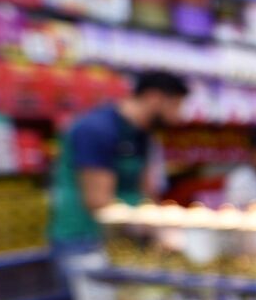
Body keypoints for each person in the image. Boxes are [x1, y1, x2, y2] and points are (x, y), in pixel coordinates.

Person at [50, 70, 189, 249]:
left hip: (122, 239)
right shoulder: (97, 130)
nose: (178, 117)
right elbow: (98, 201)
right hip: (85, 240)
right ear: (154, 98)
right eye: (175, 105)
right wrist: (153, 228)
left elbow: (146, 191)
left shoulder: (143, 134)